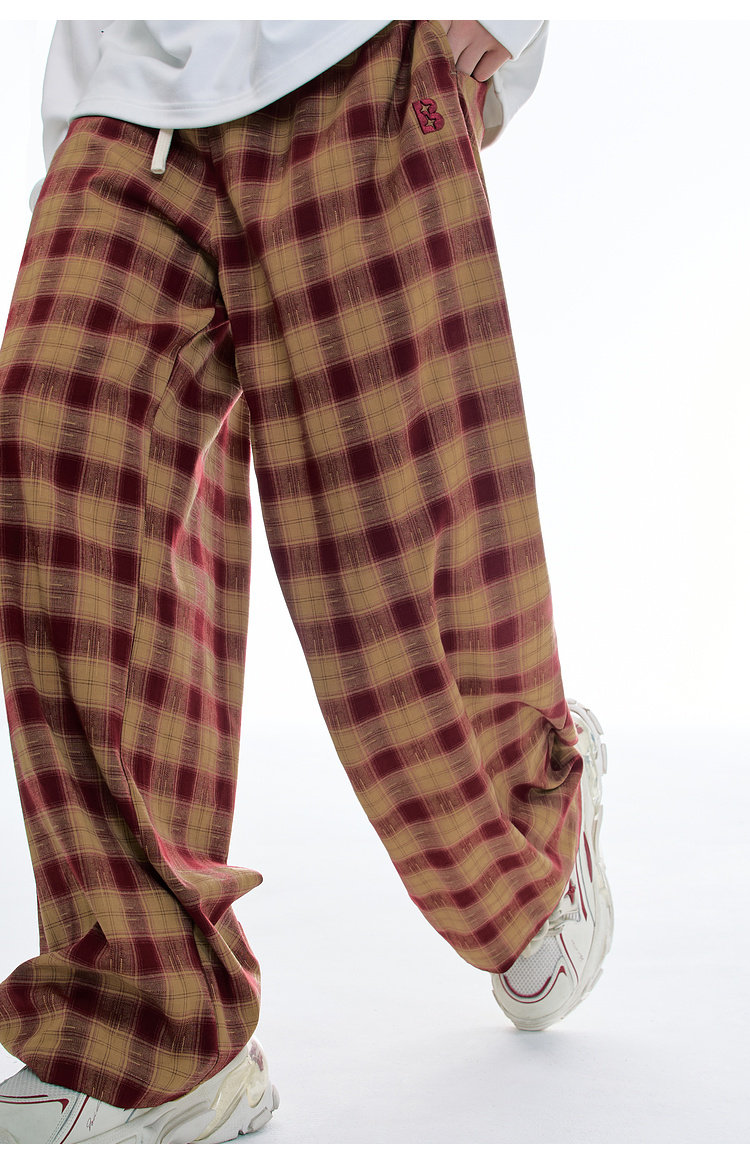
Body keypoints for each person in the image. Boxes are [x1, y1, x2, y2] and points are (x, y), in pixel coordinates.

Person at [0, 19, 613, 1144]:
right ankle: (158, 1031)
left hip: (355, 55)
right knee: (53, 471)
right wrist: (75, 113)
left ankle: (531, 851)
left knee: (390, 594)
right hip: (135, 93)